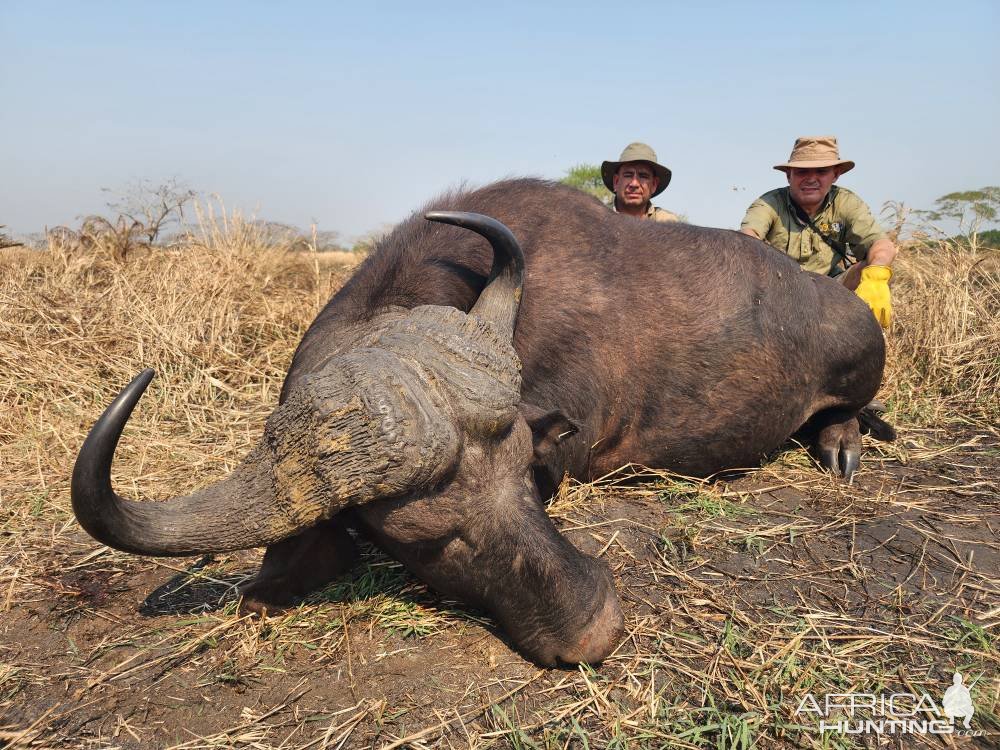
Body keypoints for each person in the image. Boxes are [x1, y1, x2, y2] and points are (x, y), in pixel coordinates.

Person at [739, 136, 897, 327]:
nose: (811, 179)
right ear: (789, 175)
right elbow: (747, 238)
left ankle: (859, 336)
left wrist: (877, 275)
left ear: (835, 174)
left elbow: (881, 244)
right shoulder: (769, 203)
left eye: (821, 171)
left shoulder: (846, 203)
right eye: (802, 171)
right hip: (779, 290)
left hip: (830, 289)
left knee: (871, 268)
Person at [601, 142, 680, 222]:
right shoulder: (599, 219)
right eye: (628, 175)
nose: (634, 184)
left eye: (643, 176)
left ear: (654, 184)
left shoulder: (667, 223)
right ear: (616, 182)